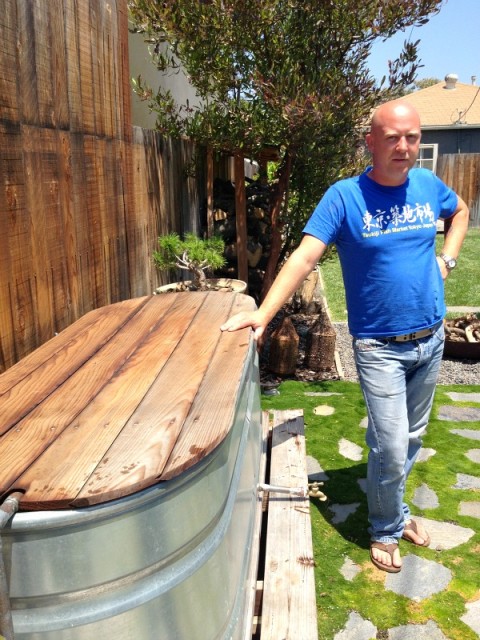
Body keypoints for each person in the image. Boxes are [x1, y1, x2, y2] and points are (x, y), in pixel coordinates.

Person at [220, 100, 469, 573]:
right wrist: (263, 315)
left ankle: (393, 511)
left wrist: (447, 261)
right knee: (393, 444)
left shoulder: (426, 184)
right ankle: (386, 527)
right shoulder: (345, 196)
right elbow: (303, 257)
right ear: (370, 142)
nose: (404, 146)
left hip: (431, 339)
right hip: (379, 348)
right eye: (392, 137)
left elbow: (460, 211)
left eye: (412, 136)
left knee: (408, 438)